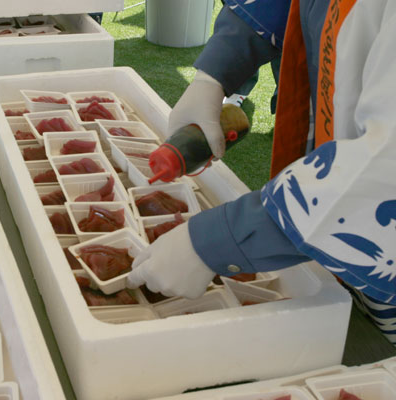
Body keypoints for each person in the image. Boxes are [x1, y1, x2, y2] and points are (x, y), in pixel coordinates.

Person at [127, 0, 396, 342]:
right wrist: (214, 73)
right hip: (330, 170)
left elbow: (384, 168)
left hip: (377, 232)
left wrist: (219, 241)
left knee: (368, 337)